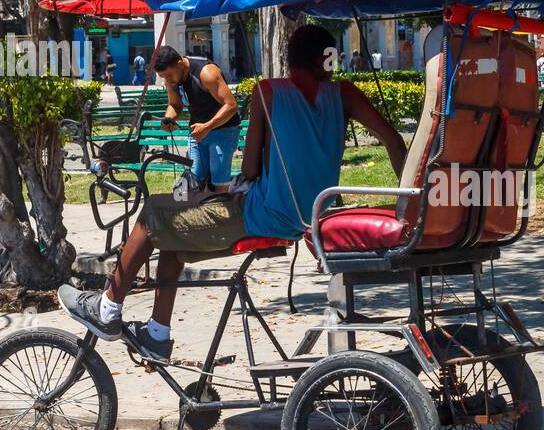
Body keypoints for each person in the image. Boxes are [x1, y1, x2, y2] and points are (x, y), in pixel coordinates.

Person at [57, 25, 408, 361]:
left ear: (291, 60)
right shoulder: (345, 94)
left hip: (263, 214)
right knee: (171, 235)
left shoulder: (269, 92)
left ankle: (107, 307)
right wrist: (408, 204)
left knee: (152, 211)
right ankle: (157, 334)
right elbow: (393, 141)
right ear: (326, 59)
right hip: (312, 215)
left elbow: (251, 168)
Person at [152, 46, 240, 194]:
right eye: (163, 77)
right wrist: (169, 118)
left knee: (219, 183)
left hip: (223, 131)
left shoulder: (207, 73)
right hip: (197, 133)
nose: (167, 80)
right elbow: (174, 104)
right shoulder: (172, 78)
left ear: (180, 63)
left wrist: (207, 127)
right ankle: (196, 215)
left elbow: (231, 105)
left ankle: (222, 214)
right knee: (193, 180)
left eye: (169, 76)